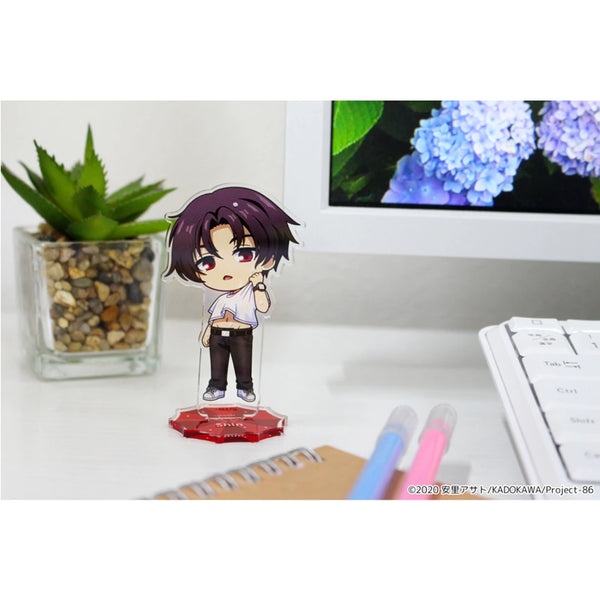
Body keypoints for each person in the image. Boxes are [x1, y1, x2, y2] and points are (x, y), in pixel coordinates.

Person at [165, 186, 298, 402]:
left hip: (241, 334)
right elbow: (214, 317)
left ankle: (245, 388)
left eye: (244, 254)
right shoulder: (219, 298)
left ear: (269, 258)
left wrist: (259, 285)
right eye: (207, 262)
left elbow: (263, 306)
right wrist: (207, 332)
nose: (226, 270)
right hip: (218, 334)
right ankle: (216, 387)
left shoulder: (250, 290)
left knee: (243, 363)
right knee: (217, 365)